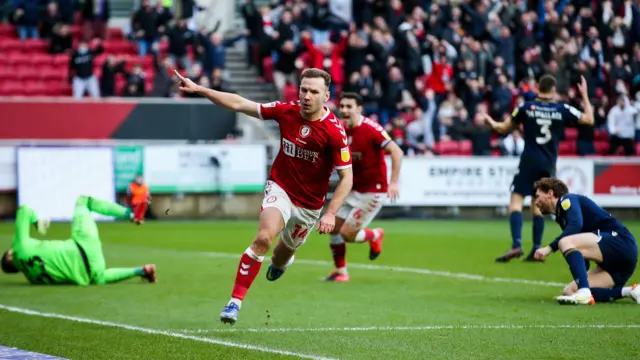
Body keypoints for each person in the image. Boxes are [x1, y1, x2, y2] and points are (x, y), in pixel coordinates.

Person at [174, 68, 353, 325]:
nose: (307, 96)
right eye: (303, 90)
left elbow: (347, 178)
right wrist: (201, 90)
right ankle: (234, 302)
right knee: (263, 238)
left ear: (326, 96)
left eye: (314, 92)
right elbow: (239, 103)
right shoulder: (286, 110)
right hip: (280, 188)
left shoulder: (334, 132)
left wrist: (331, 212)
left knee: (281, 256)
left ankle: (282, 262)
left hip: (310, 205)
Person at [483, 75, 594, 263]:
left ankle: (517, 244)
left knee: (516, 202)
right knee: (539, 205)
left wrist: (491, 123)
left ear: (537, 88)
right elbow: (589, 119)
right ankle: (536, 248)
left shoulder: (526, 108)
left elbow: (503, 128)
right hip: (549, 163)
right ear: (553, 91)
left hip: (529, 161)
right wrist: (584, 95)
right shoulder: (562, 109)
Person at [324, 92, 403, 282]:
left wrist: (393, 182)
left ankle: (375, 235)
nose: (344, 110)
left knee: (348, 234)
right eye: (342, 106)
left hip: (372, 191)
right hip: (352, 188)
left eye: (349, 106)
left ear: (359, 109)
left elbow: (396, 151)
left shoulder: (371, 129)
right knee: (333, 229)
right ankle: (341, 273)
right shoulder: (339, 129)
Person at [1, 196, 156, 285]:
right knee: (83, 202)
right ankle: (130, 214)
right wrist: (36, 222)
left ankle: (140, 271)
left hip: (90, 273)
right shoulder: (19, 249)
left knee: (100, 277)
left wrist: (138, 272)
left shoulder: (33, 279)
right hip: (83, 246)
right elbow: (24, 210)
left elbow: (101, 278)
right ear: (10, 255)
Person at [532, 178, 640, 305]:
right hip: (620, 264)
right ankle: (631, 291)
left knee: (565, 242)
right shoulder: (562, 217)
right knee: (570, 291)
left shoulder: (567, 200)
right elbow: (582, 257)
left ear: (550, 193)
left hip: (620, 242)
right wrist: (582, 276)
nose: (536, 202)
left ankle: (584, 293)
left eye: (538, 196)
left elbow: (576, 225)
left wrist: (549, 248)